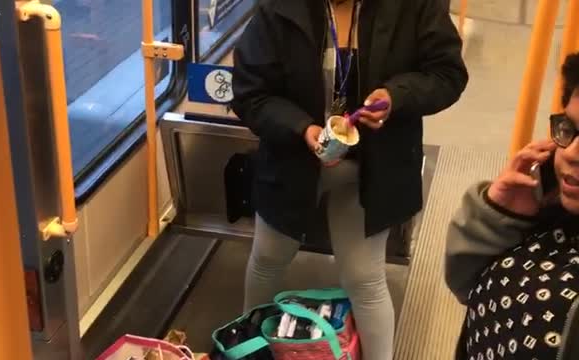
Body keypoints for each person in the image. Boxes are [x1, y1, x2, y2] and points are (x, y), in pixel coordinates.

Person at [231, 0, 468, 358]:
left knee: (365, 279)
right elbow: (251, 94)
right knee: (267, 258)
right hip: (294, 158)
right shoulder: (277, 8)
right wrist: (301, 128)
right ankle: (246, 348)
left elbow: (447, 74)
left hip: (374, 167)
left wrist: (396, 96)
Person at [445, 52, 579, 360]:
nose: (571, 153)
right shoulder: (549, 208)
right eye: (569, 129)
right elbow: (467, 286)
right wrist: (498, 217)